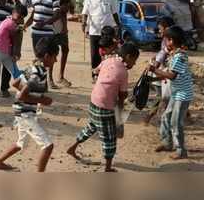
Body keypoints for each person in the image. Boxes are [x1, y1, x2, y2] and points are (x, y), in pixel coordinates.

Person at [67, 43, 140, 172]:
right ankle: (107, 168)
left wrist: (101, 82)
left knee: (91, 127)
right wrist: (120, 113)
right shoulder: (123, 71)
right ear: (128, 56)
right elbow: (122, 96)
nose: (133, 64)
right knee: (109, 138)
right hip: (105, 107)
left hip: (94, 101)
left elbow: (95, 71)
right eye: (134, 60)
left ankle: (72, 147)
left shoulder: (108, 60)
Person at [0, 37, 59, 172]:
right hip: (25, 113)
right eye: (54, 57)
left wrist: (35, 97)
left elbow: (15, 83)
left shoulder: (32, 67)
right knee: (48, 146)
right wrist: (42, 100)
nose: (55, 60)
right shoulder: (37, 73)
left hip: (22, 111)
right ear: (47, 56)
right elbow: (23, 95)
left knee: (20, 143)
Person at [149, 26, 194, 160]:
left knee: (175, 122)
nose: (164, 42)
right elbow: (169, 74)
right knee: (165, 117)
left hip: (183, 95)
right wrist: (154, 78)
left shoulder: (180, 57)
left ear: (171, 41)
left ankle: (181, 151)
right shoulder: (174, 55)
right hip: (177, 93)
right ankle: (167, 143)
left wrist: (154, 70)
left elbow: (172, 75)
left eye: (166, 39)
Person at [0, 3, 28, 105]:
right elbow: (16, 37)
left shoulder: (12, 21)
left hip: (6, 53)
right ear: (13, 13)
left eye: (22, 17)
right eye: (19, 16)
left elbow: (16, 37)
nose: (20, 18)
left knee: (16, 73)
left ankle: (25, 95)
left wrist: (14, 54)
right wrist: (16, 53)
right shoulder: (10, 23)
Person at [81, 0, 121, 82]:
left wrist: (118, 25)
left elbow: (115, 13)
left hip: (107, 33)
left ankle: (107, 74)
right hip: (94, 32)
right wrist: (83, 23)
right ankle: (95, 75)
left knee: (108, 55)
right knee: (95, 55)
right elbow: (84, 13)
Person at [24, 0, 60, 89]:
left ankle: (50, 79)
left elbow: (57, 15)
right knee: (39, 57)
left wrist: (44, 23)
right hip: (35, 33)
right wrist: (25, 25)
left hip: (48, 34)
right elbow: (32, 15)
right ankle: (41, 82)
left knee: (48, 58)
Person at [144, 16, 175, 125]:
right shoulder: (167, 39)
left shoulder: (170, 41)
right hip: (162, 72)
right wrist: (156, 58)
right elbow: (162, 52)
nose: (160, 31)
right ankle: (154, 117)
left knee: (164, 96)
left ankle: (152, 117)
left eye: (161, 28)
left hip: (164, 72)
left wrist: (156, 63)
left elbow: (164, 53)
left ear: (167, 28)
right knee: (165, 96)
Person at [53, 0, 73, 87]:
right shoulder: (57, 10)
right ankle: (49, 78)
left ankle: (61, 76)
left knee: (65, 50)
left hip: (62, 33)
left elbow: (67, 16)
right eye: (67, 6)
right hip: (55, 33)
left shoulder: (64, 10)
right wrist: (64, 28)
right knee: (52, 53)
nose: (68, 8)